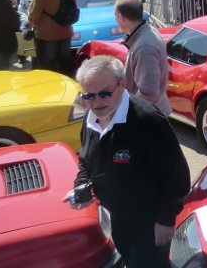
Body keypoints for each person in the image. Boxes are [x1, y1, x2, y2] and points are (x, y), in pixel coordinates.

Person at [65, 55, 190, 268]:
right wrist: (81, 185)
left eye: (104, 93)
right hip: (117, 218)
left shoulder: (147, 121)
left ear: (122, 84)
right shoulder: (90, 117)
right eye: (88, 95)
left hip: (149, 222)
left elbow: (178, 178)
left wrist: (166, 220)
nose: (96, 102)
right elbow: (86, 160)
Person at [114, 0, 172, 116]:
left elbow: (148, 93)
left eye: (115, 15)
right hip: (152, 113)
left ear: (120, 17)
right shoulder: (148, 31)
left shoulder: (145, 47)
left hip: (148, 119)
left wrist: (128, 111)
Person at [27, 0, 76, 75]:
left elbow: (33, 16)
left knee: (48, 66)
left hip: (47, 35)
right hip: (66, 32)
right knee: (65, 64)